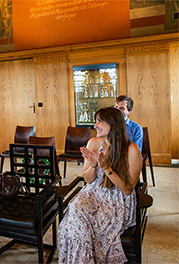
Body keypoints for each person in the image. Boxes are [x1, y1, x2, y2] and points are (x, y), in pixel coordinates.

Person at [58, 107, 142, 263]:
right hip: (94, 192)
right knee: (73, 214)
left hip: (117, 200)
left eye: (100, 121)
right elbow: (88, 180)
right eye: (96, 121)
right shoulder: (94, 143)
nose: (95, 125)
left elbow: (127, 189)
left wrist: (106, 168)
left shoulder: (132, 149)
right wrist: (94, 165)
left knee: (79, 225)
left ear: (114, 124)